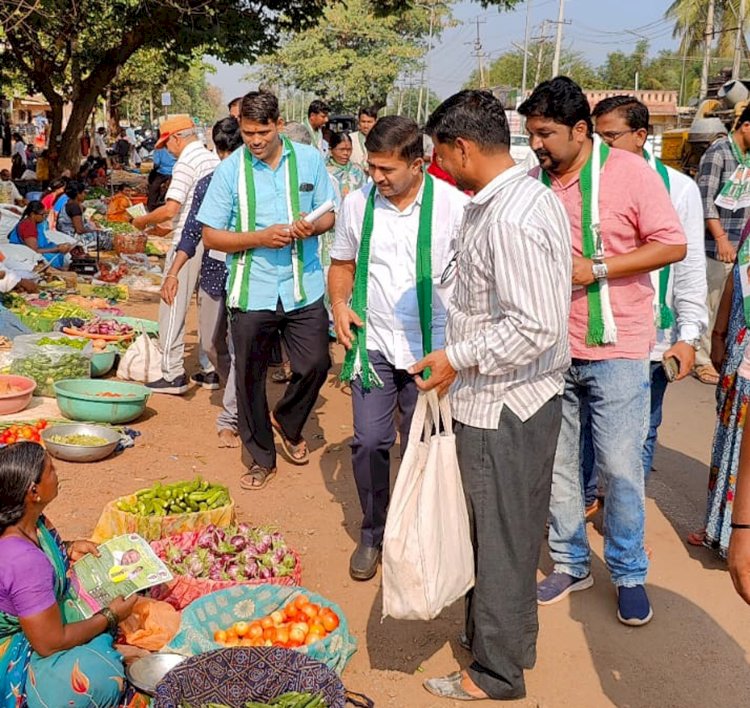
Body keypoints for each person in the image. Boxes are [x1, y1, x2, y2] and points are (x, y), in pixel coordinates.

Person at [410, 89, 571, 702]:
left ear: (463, 147)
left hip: (504, 405)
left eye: (440, 155)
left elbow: (536, 325)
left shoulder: (510, 214)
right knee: (509, 533)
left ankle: (496, 673)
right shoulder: (516, 198)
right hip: (509, 398)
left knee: (499, 541)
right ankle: (503, 646)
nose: (438, 167)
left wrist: (457, 357)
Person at [519, 77, 686, 626]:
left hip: (618, 345)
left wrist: (597, 268)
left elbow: (673, 244)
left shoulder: (630, 173)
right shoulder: (534, 182)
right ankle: (570, 561)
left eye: (545, 134)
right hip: (550, 346)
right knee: (561, 464)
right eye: (531, 133)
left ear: (581, 130)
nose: (537, 144)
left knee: (618, 466)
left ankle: (629, 571)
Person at [328, 116, 468, 581]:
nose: (377, 178)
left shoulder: (454, 206)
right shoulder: (357, 205)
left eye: (387, 169)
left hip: (433, 350)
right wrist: (339, 305)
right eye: (372, 168)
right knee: (369, 442)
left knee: (422, 446)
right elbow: (342, 263)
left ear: (419, 163)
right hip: (374, 345)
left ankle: (415, 536)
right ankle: (373, 531)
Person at [199, 90, 336, 490]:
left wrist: (313, 227)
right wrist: (259, 237)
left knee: (316, 364)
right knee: (249, 378)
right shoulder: (229, 172)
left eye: (262, 132)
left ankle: (289, 422)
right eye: (247, 133)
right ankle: (261, 456)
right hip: (251, 289)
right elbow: (210, 236)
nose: (255, 141)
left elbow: (329, 214)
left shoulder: (310, 159)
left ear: (279, 124)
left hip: (302, 285)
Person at [577, 96, 708, 512]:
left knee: (642, 430)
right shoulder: (584, 182)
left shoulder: (679, 189)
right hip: (597, 331)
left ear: (641, 136)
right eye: (598, 135)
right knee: (586, 428)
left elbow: (686, 267)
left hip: (653, 334)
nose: (603, 144)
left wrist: (688, 335)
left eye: (611, 136)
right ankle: (585, 501)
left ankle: (620, 513)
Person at [0, 442, 136, 708]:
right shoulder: (23, 560)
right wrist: (109, 616)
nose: (57, 473)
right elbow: (51, 643)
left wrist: (69, 547)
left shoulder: (29, 521)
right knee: (95, 679)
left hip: (40, 622)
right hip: (29, 642)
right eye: (51, 469)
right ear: (33, 491)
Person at [161, 116, 242, 448]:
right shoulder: (209, 182)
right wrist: (173, 271)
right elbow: (193, 230)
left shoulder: (254, 183)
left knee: (239, 347)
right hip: (212, 273)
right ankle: (235, 388)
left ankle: (233, 413)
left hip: (246, 275)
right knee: (210, 342)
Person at [132, 115, 220, 395]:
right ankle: (210, 368)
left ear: (176, 138)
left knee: (172, 302)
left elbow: (172, 209)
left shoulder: (186, 162)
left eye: (166, 143)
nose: (166, 149)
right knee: (206, 305)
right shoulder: (210, 159)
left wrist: (142, 221)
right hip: (213, 238)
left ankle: (172, 373)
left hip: (189, 241)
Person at [692, 219, 750, 556]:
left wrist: (718, 336)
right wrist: (717, 336)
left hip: (740, 356)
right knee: (731, 444)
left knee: (736, 448)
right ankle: (719, 528)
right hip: (740, 358)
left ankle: (726, 531)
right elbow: (733, 284)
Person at [694, 105, 750, 385]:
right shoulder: (718, 153)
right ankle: (701, 360)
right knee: (709, 304)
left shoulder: (747, 159)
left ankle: (722, 356)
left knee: (729, 306)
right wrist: (720, 238)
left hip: (741, 247)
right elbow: (704, 201)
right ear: (746, 126)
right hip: (715, 247)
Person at [8, 201, 73, 269]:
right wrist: (57, 249)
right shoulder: (28, 226)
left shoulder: (36, 224)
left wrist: (60, 246)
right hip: (27, 256)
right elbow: (34, 251)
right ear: (33, 214)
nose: (44, 217)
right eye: (42, 215)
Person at [147, 146, 176, 211]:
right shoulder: (176, 147)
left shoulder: (159, 148)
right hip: (175, 173)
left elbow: (156, 163)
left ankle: (151, 207)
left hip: (162, 173)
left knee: (153, 189)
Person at [349, 106, 378, 171]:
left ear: (375, 122)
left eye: (369, 122)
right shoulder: (350, 139)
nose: (366, 126)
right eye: (363, 122)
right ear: (359, 122)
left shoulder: (381, 139)